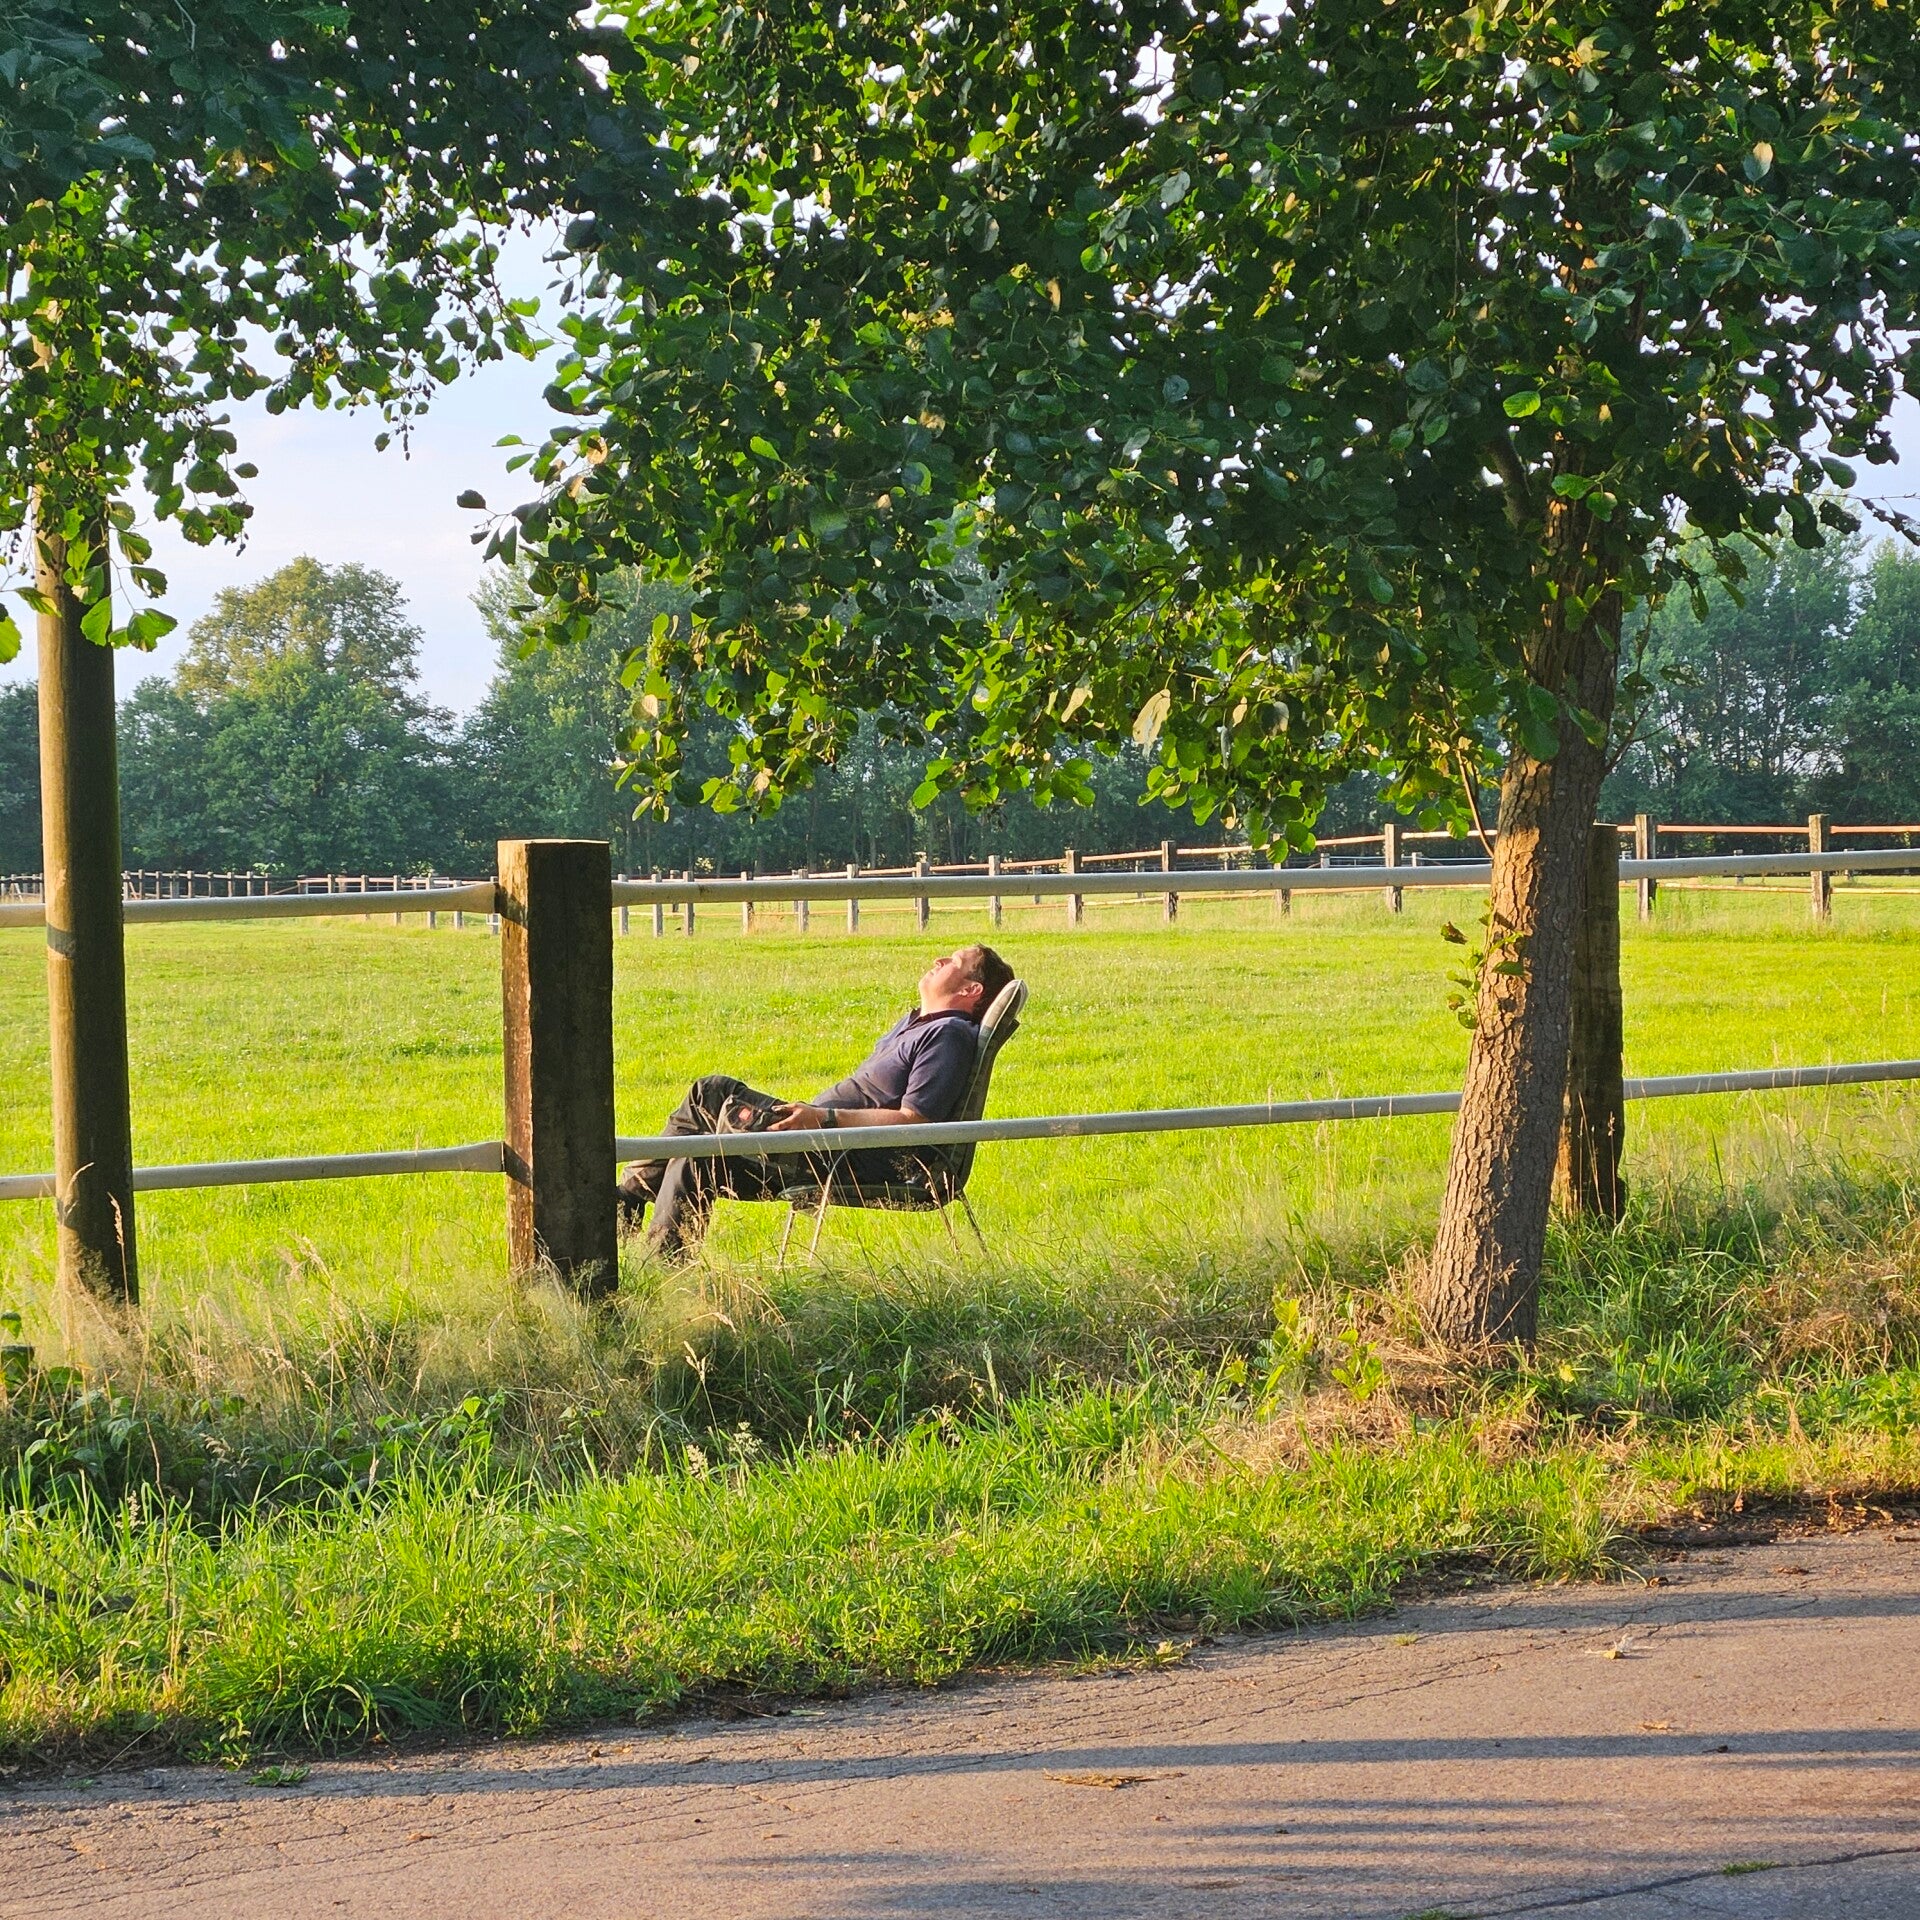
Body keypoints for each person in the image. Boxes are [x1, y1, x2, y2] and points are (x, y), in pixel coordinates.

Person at [618, 942, 1016, 1257]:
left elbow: (915, 1122)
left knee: (705, 1122)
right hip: (824, 1142)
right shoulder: (918, 1025)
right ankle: (641, 1237)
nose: (938, 960)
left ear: (970, 989)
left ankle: (631, 1227)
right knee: (704, 1116)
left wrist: (823, 1120)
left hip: (843, 1153)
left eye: (954, 962)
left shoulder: (948, 1035)